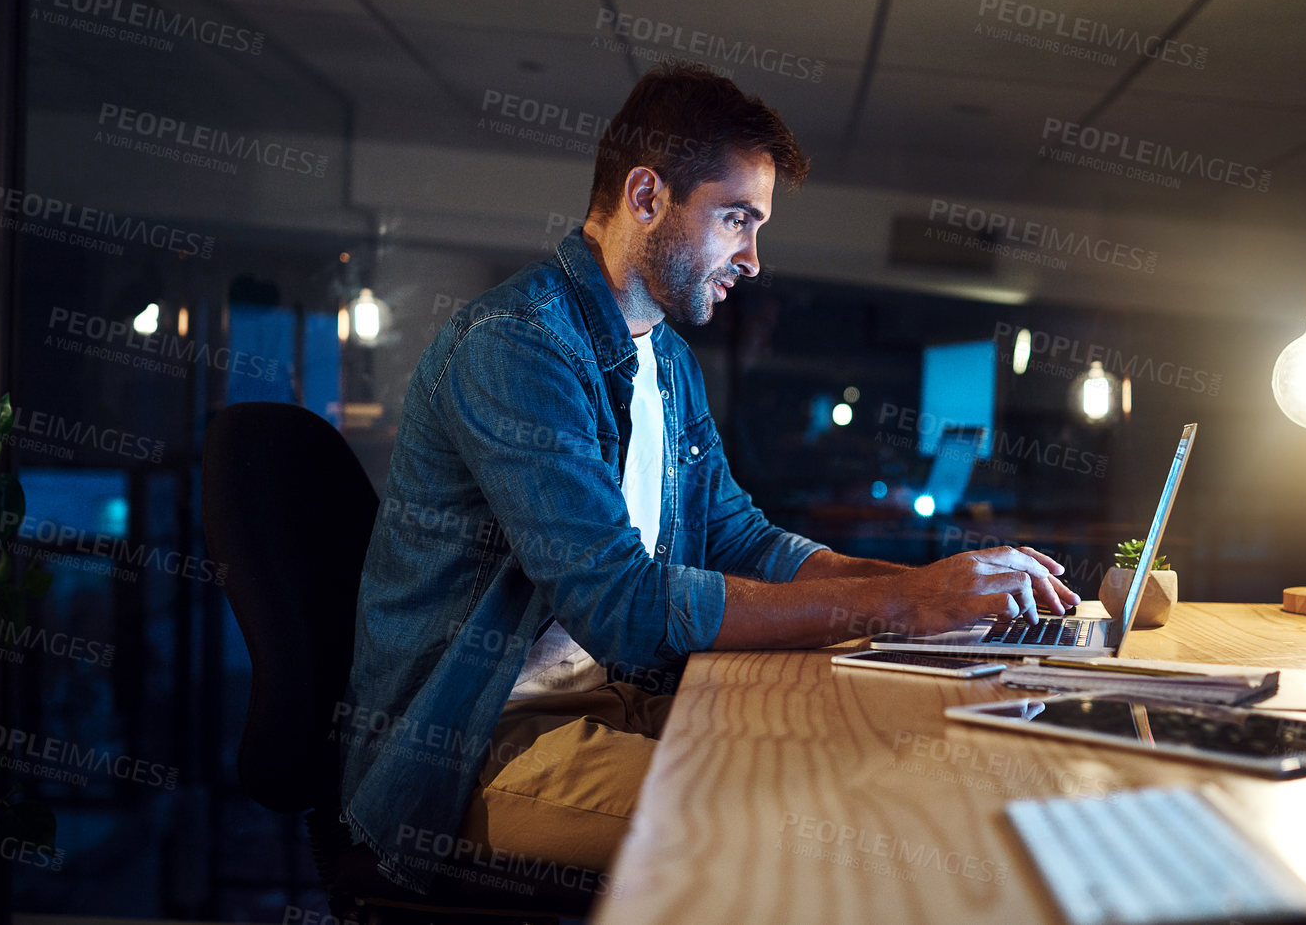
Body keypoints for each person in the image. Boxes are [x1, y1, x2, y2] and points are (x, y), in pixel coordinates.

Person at [337, 61, 1077, 897]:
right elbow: (618, 603)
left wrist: (935, 589)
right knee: (826, 837)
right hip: (475, 745)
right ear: (646, 196)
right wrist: (904, 604)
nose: (753, 259)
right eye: (735, 220)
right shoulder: (516, 346)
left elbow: (739, 537)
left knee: (875, 761)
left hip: (617, 700)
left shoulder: (667, 360)